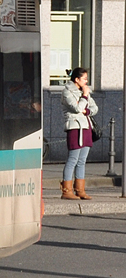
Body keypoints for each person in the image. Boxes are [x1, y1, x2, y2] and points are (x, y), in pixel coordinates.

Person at [61, 67, 96, 201]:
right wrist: (85, 97)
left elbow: (94, 108)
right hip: (75, 127)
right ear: (77, 79)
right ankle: (67, 190)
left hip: (86, 126)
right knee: (73, 159)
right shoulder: (67, 92)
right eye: (84, 79)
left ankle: (80, 190)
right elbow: (76, 108)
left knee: (82, 161)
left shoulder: (84, 90)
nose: (86, 82)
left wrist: (86, 111)